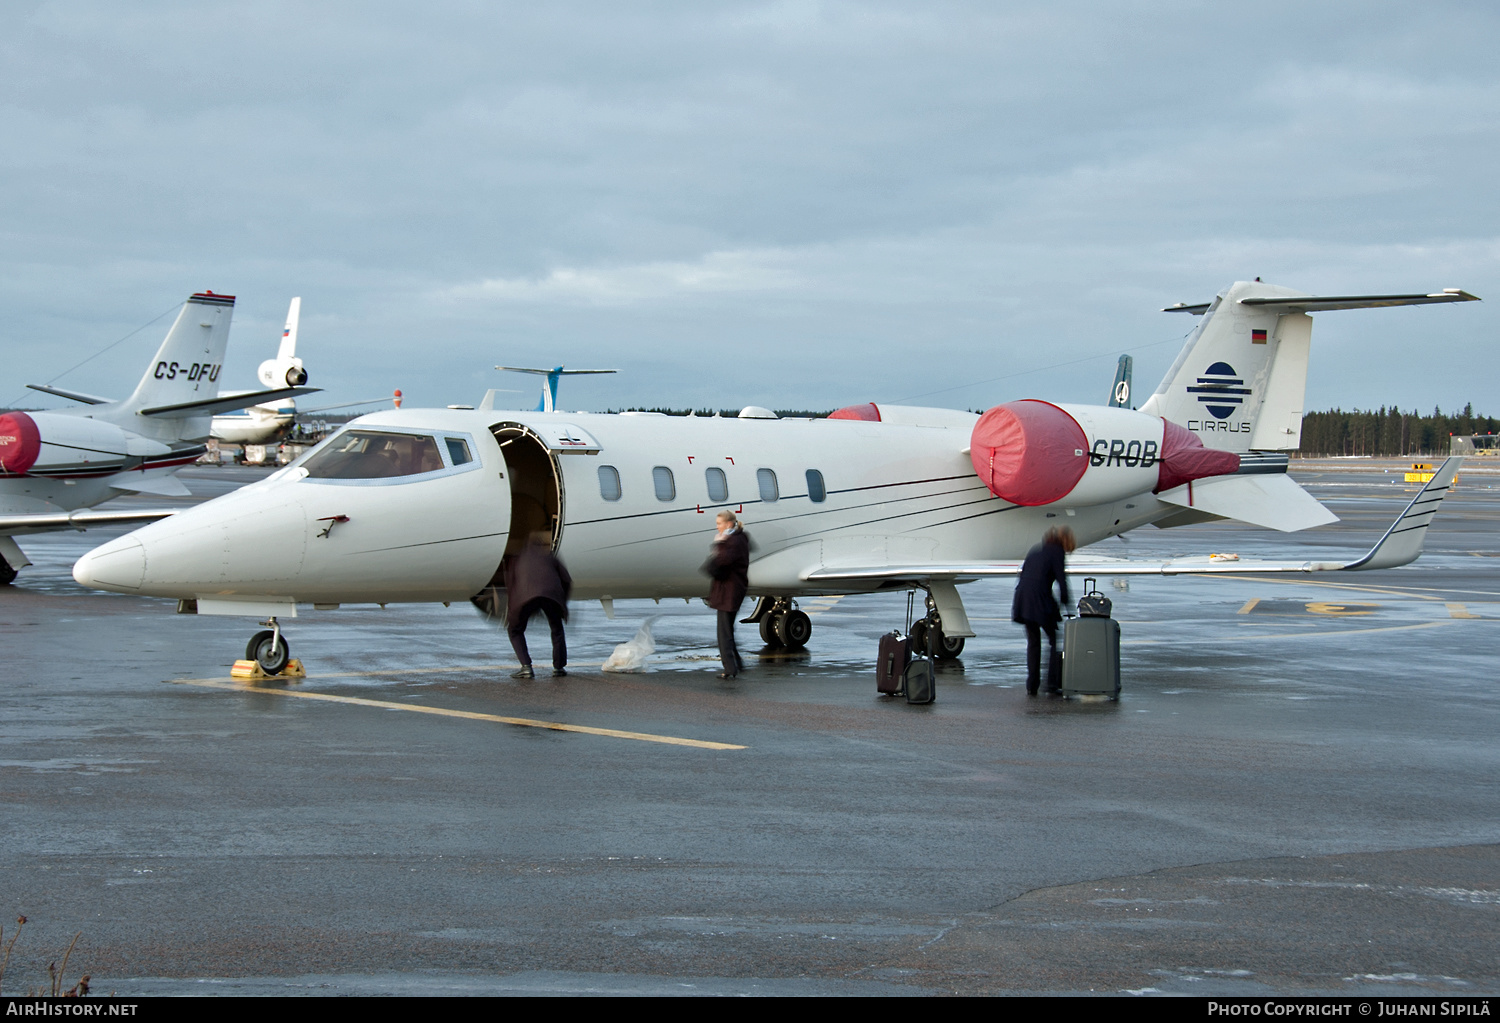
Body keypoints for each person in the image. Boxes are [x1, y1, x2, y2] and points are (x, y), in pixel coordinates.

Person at [1012, 526, 1075, 695]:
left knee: (1033, 642)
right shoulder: (1057, 552)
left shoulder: (1036, 550)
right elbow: (1062, 581)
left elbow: (1025, 576)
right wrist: (1067, 606)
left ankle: (1032, 684)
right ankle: (1052, 683)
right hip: (1039, 600)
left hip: (1023, 599)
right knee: (1053, 640)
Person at [503, 531, 572, 679]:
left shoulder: (517, 558)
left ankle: (526, 667)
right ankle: (559, 668)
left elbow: (511, 586)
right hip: (551, 596)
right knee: (557, 629)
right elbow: (567, 580)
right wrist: (563, 605)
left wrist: (511, 613)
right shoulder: (550, 557)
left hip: (525, 597)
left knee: (515, 630)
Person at [705, 510, 751, 679]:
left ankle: (730, 669)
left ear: (729, 524)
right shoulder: (739, 538)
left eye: (719, 524)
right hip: (732, 590)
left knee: (723, 633)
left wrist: (719, 545)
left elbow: (723, 561)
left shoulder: (733, 541)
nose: (717, 527)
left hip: (729, 592)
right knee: (728, 630)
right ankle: (737, 664)